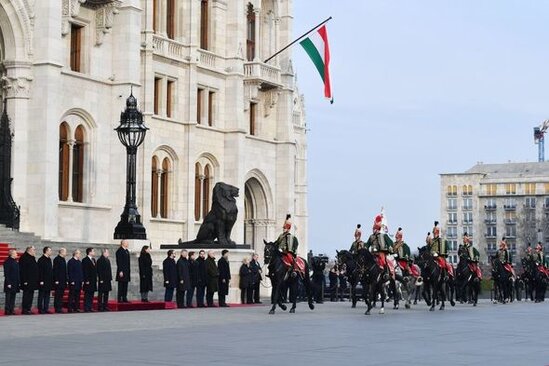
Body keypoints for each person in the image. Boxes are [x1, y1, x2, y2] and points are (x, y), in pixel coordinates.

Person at [19, 246, 38, 315]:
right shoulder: (24, 258)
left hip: (32, 280)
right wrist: (24, 280)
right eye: (34, 250)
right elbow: (23, 270)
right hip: (26, 281)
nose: (35, 251)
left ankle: (28, 308)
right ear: (29, 250)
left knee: (31, 295)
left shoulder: (32, 257)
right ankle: (24, 309)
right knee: (26, 295)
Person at [37, 246, 53, 314]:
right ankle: (40, 309)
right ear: (46, 251)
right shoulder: (41, 259)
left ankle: (46, 308)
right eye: (50, 250)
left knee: (47, 295)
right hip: (43, 281)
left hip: (48, 281)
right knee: (41, 295)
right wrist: (41, 280)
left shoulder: (49, 259)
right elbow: (40, 271)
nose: (51, 252)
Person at [3, 249, 20, 315]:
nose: (17, 254)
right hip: (9, 283)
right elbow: (6, 273)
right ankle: (7, 310)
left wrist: (18, 281)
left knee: (13, 297)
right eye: (16, 253)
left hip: (15, 282)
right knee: (8, 297)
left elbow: (17, 273)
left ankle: (11, 310)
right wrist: (8, 283)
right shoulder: (7, 262)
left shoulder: (15, 261)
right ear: (12, 254)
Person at [52, 248, 68, 313]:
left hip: (63, 280)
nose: (66, 253)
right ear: (61, 252)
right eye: (65, 252)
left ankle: (60, 307)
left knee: (61, 295)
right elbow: (55, 270)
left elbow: (64, 271)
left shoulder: (63, 259)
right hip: (58, 280)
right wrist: (56, 279)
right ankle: (57, 307)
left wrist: (66, 279)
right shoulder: (56, 259)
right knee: (58, 295)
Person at [82, 248, 97, 312]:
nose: (94, 252)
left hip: (93, 280)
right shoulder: (85, 260)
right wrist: (86, 280)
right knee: (87, 294)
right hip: (88, 280)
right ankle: (86, 307)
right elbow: (85, 271)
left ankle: (90, 306)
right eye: (93, 251)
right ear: (89, 252)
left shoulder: (93, 259)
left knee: (91, 294)